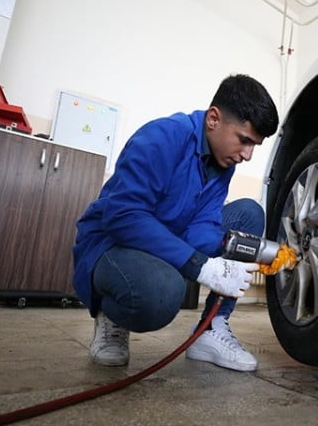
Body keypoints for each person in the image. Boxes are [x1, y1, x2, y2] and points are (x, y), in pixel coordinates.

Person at [72, 74, 279, 372]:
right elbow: (124, 216)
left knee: (249, 214)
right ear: (213, 119)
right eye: (244, 140)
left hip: (170, 237)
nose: (247, 155)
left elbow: (202, 227)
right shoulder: (162, 137)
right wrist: (202, 266)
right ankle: (112, 315)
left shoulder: (222, 162)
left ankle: (210, 330)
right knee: (161, 293)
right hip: (114, 245)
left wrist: (236, 248)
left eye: (254, 146)